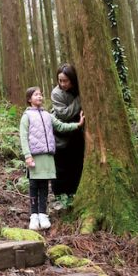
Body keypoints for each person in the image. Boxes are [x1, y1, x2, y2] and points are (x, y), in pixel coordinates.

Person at [20, 87, 85, 231]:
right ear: (29, 99)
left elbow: (60, 126)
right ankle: (33, 216)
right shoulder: (26, 116)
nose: (39, 97)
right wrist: (27, 155)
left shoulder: (48, 115)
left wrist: (78, 124)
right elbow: (23, 137)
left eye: (40, 94)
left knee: (44, 186)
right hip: (34, 156)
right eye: (36, 95)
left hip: (48, 157)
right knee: (34, 185)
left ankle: (43, 214)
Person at [51, 63, 85, 197]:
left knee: (76, 164)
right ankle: (59, 196)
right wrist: (80, 99)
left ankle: (74, 193)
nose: (62, 84)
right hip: (61, 135)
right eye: (60, 80)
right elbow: (64, 114)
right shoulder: (56, 93)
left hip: (77, 133)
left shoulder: (78, 88)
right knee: (61, 167)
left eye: (66, 80)